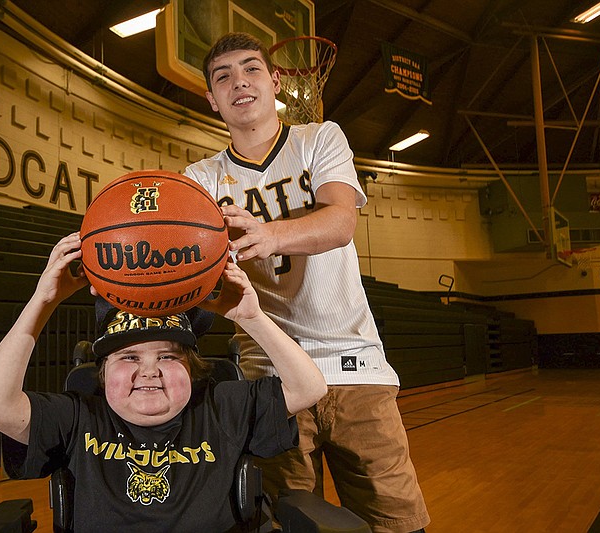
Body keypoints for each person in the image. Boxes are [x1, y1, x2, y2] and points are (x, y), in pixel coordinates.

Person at [182, 32, 430, 533]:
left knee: (397, 523)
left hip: (356, 365)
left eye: (251, 69)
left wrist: (269, 234)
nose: (239, 82)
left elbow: (339, 222)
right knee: (290, 523)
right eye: (222, 76)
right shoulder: (201, 178)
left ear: (274, 81)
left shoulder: (318, 139)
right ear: (211, 98)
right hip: (270, 375)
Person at [0, 232, 327, 532]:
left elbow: (309, 388)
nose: (149, 370)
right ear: (103, 372)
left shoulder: (221, 406)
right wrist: (43, 302)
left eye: (168, 357)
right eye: (129, 357)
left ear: (191, 368)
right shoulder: (78, 416)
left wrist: (252, 318)